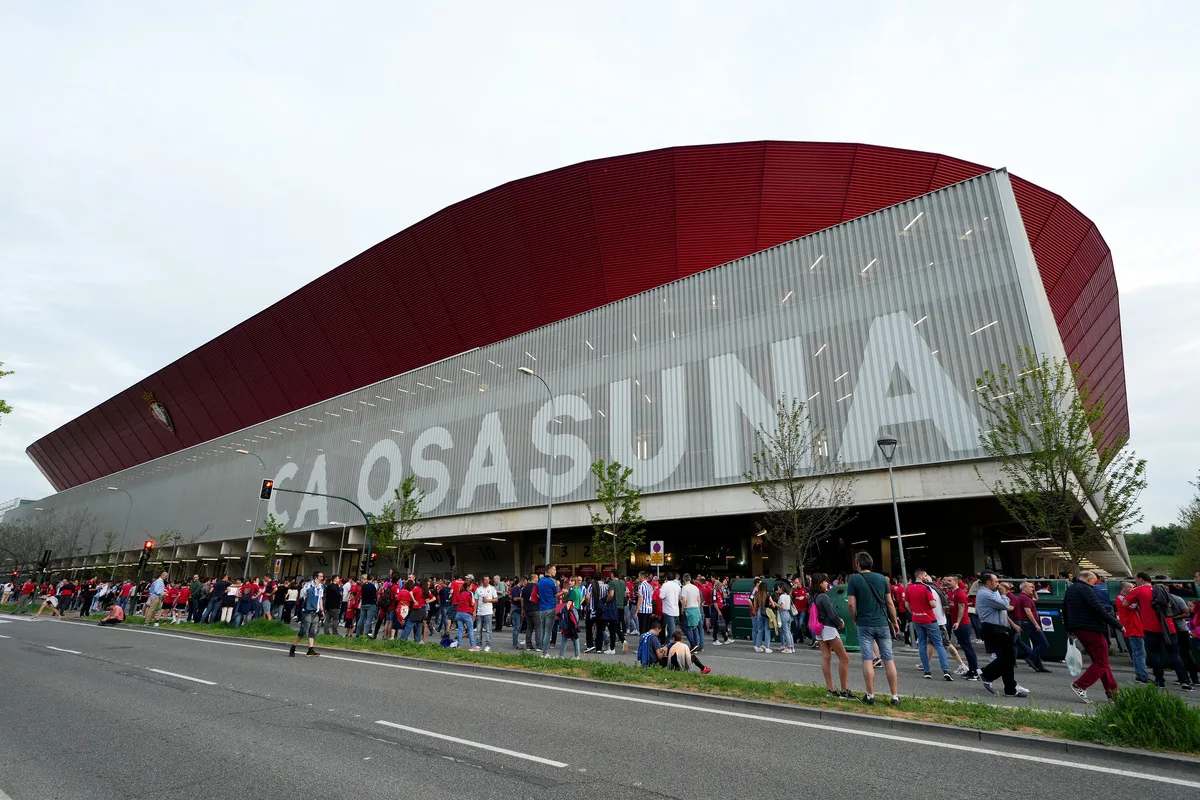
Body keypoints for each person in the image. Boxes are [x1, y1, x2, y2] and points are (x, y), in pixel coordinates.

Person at [847, 552, 901, 706]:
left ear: (858, 563)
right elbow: (890, 603)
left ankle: (870, 695)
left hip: (864, 623)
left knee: (867, 658)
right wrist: (894, 621)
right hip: (882, 622)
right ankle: (894, 696)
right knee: (888, 659)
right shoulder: (882, 579)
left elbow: (851, 604)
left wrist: (855, 618)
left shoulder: (854, 579)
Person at [1124, 573, 1193, 691]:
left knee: (1155, 655)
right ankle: (1185, 682)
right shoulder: (1161, 590)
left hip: (1150, 628)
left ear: (1140, 579)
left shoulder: (1139, 590)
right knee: (1175, 655)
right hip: (1168, 627)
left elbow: (1125, 603)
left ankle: (1160, 681)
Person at [1063, 570, 1124, 702]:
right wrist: (1118, 625)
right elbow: (1099, 609)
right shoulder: (1086, 590)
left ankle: (1113, 694)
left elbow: (1065, 610)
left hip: (1079, 629)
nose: (1095, 584)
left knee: (1102, 662)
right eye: (1095, 581)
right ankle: (1080, 685)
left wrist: (1069, 629)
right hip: (1092, 629)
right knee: (1101, 662)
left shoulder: (1071, 589)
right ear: (1089, 579)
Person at [976, 572, 1029, 697]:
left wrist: (1012, 625)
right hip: (994, 629)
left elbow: (1002, 612)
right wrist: (1004, 595)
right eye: (995, 581)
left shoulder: (992, 593)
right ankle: (987, 674)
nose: (998, 584)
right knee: (1008, 658)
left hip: (1001, 628)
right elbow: (1005, 605)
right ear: (988, 582)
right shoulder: (985, 594)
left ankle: (1010, 688)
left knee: (1007, 659)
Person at [904, 570, 952, 681]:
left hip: (917, 619)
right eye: (925, 575)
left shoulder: (909, 588)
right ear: (920, 576)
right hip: (929, 619)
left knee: (921, 643)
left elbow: (906, 604)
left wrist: (914, 612)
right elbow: (933, 604)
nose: (926, 577)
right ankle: (945, 670)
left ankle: (927, 671)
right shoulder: (926, 588)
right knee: (939, 644)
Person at [812, 573, 853, 698]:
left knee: (826, 657)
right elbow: (831, 613)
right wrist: (839, 622)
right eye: (825, 582)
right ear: (820, 583)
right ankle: (844, 689)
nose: (827, 584)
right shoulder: (824, 596)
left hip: (820, 628)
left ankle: (830, 688)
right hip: (829, 627)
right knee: (844, 658)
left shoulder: (813, 597)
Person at [1012, 581, 1051, 673]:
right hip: (1029, 623)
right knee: (1044, 643)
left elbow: (1036, 599)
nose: (1032, 588)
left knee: (1037, 644)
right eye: (1030, 587)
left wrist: (1033, 591)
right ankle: (1031, 658)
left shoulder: (1025, 597)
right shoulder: (1024, 598)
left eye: (1033, 587)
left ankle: (1039, 665)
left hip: (1027, 623)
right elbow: (1028, 612)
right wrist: (1036, 624)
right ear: (1024, 588)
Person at [947, 575, 980, 681]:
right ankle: (971, 670)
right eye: (947, 580)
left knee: (968, 647)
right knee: (965, 648)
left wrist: (958, 621)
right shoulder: (951, 593)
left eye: (950, 580)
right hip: (956, 623)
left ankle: (974, 671)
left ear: (956, 582)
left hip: (963, 624)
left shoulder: (960, 593)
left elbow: (962, 609)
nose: (947, 582)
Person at [1116, 581, 1149, 683]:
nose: (1132, 589)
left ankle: (1139, 674)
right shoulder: (1122, 598)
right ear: (1124, 588)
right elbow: (1133, 606)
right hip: (1132, 628)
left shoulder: (1125, 598)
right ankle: (1143, 675)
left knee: (1137, 652)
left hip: (1134, 627)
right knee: (1140, 652)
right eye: (1130, 587)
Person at [289, 571, 325, 658]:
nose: (322, 578)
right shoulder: (308, 585)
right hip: (307, 611)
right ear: (316, 577)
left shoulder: (321, 586)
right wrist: (314, 587)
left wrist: (322, 610)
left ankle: (310, 649)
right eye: (320, 576)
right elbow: (306, 594)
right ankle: (293, 647)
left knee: (313, 631)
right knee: (303, 631)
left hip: (316, 611)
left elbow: (320, 599)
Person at [537, 567, 559, 657]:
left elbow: (538, 594)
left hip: (542, 608)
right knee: (548, 631)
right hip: (550, 607)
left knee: (543, 630)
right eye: (554, 569)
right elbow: (556, 594)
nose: (555, 571)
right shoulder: (552, 581)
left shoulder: (540, 581)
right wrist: (563, 593)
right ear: (549, 570)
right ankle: (544, 652)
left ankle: (543, 650)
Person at [679, 573, 703, 654]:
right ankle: (695, 645)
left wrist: (682, 608)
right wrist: (698, 608)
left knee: (684, 626)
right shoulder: (695, 587)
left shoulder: (685, 588)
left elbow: (684, 600)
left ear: (684, 579)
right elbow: (699, 599)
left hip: (689, 609)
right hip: (696, 609)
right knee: (694, 627)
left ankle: (693, 643)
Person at [454, 579, 479, 651]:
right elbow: (472, 603)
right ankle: (472, 646)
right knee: (470, 630)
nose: (472, 587)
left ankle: (459, 645)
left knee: (460, 630)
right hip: (467, 613)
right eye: (471, 586)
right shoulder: (469, 593)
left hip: (459, 613)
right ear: (468, 587)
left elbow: (458, 602)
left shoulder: (460, 593)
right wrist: (474, 611)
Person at [751, 579, 775, 654]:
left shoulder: (756, 595)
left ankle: (758, 646)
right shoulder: (768, 594)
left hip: (759, 612)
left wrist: (755, 614)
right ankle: (767, 647)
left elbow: (755, 606)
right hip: (767, 612)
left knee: (760, 630)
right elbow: (773, 605)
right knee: (767, 630)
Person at [474, 575, 497, 652]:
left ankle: (488, 645)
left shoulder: (492, 588)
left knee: (488, 630)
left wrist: (488, 600)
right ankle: (478, 645)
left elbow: (496, 599)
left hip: (488, 612)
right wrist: (474, 611)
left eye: (488, 580)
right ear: (482, 581)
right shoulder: (478, 589)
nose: (486, 581)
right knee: (478, 630)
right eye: (485, 580)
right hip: (480, 612)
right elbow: (476, 601)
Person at [659, 571, 682, 641]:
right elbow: (680, 597)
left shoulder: (665, 585)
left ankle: (670, 642)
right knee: (670, 627)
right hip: (675, 609)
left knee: (671, 628)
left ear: (666, 578)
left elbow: (661, 596)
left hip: (668, 609)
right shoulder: (677, 586)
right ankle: (668, 641)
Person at [775, 582, 794, 653]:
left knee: (785, 631)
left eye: (779, 588)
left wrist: (776, 604)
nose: (778, 589)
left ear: (781, 588)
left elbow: (782, 607)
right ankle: (791, 647)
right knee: (788, 631)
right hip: (788, 614)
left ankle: (789, 647)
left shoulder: (782, 596)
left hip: (783, 613)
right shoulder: (788, 596)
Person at [510, 576, 526, 649]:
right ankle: (515, 644)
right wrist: (522, 598)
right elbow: (515, 598)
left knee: (518, 627)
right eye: (525, 583)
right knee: (516, 627)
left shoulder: (520, 589)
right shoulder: (516, 588)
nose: (525, 585)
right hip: (515, 610)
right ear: (522, 581)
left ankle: (516, 642)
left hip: (520, 609)